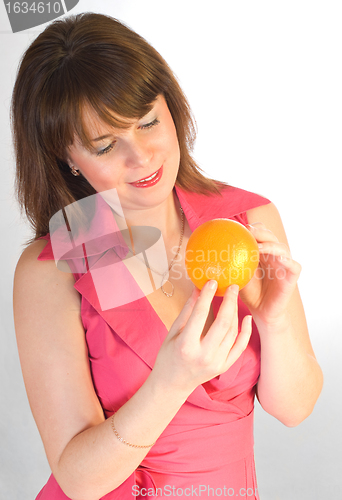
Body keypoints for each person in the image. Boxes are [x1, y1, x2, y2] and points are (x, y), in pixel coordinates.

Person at [12, 12, 323, 500]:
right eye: (106, 144)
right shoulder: (55, 265)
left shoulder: (246, 219)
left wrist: (275, 319)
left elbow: (294, 409)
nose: (142, 157)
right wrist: (170, 383)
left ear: (171, 107)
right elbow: (77, 478)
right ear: (67, 157)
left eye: (149, 122)